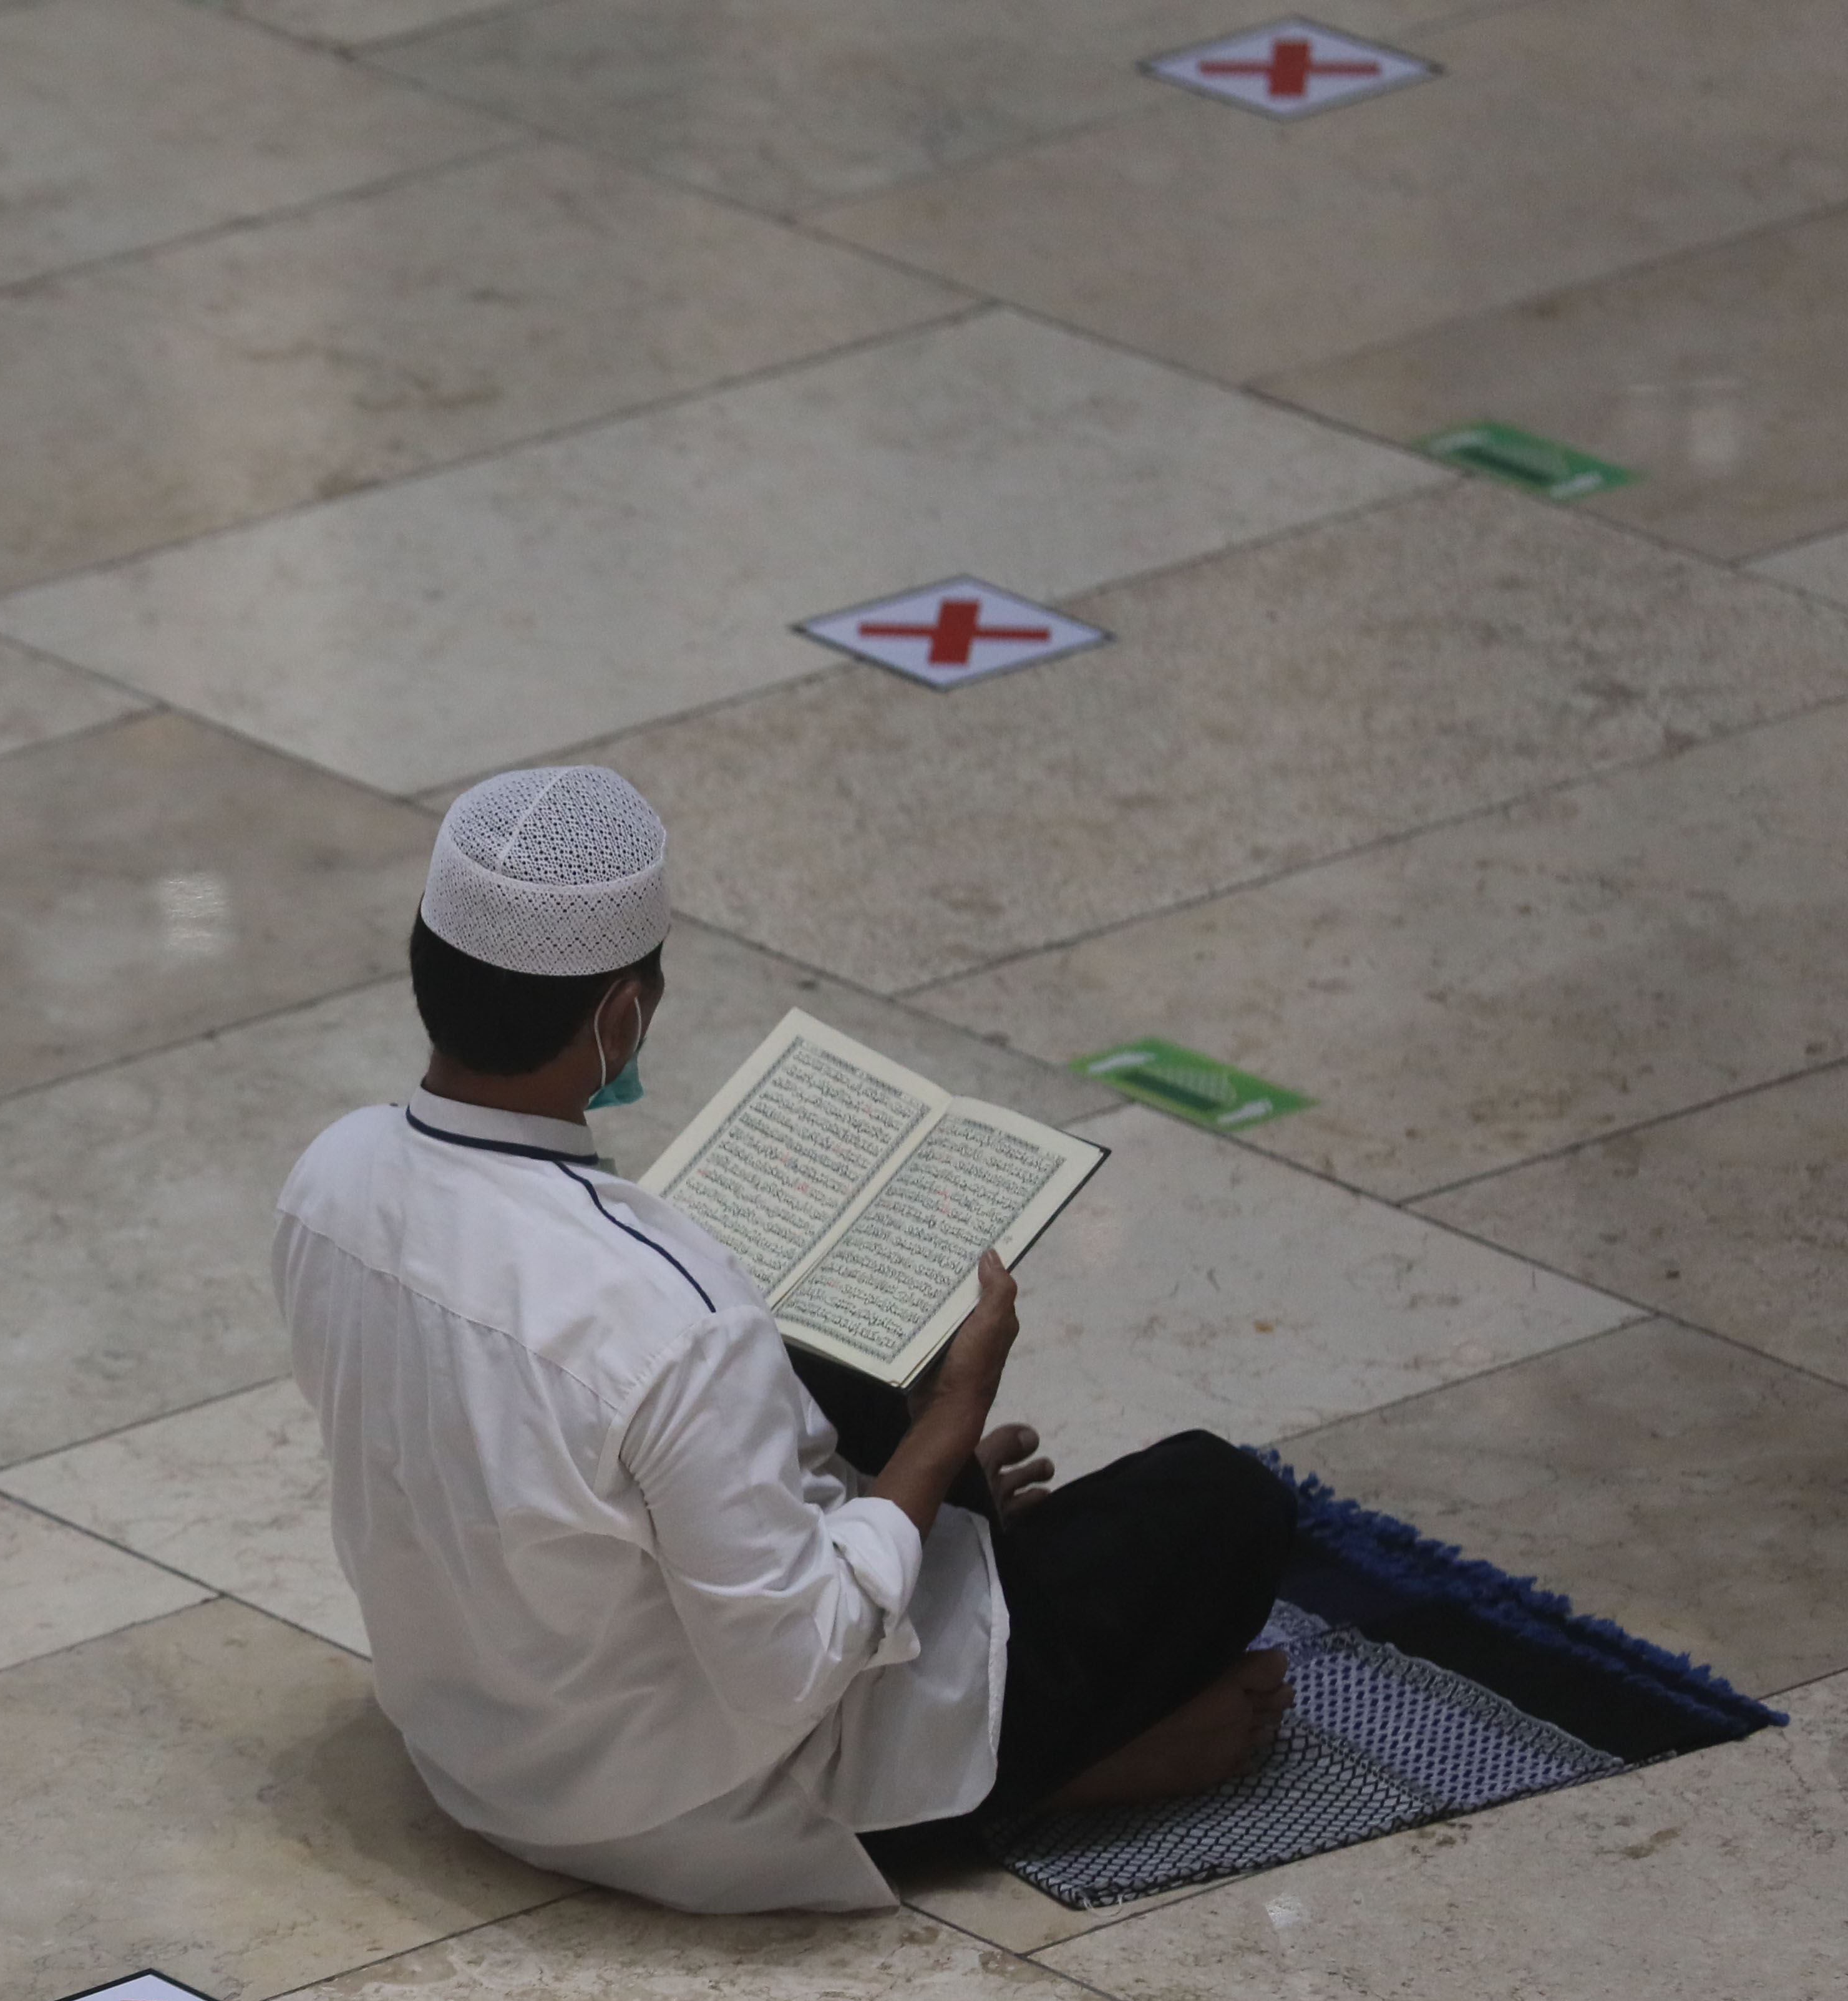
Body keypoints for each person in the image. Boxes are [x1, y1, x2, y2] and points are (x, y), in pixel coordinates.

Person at [273, 764, 1301, 1912]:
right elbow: (792, 1669)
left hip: (474, 1751)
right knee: (1227, 1503)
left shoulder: (332, 1173)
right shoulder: (662, 1309)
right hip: (700, 1807)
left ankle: (933, 1514)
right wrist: (945, 1429)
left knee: (820, 1376)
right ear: (621, 1012)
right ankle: (1052, 1776)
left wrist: (911, 1480)